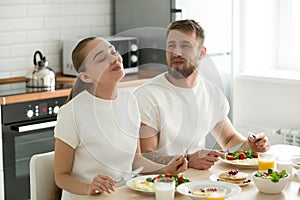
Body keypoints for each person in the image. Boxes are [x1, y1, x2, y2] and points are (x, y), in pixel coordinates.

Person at [54, 37, 187, 199]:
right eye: (102, 58)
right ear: (86, 77)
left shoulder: (130, 101)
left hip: (124, 194)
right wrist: (88, 187)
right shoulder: (71, 113)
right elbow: (61, 176)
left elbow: (135, 160)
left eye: (113, 52)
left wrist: (165, 169)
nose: (114, 58)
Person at [133, 19, 270, 170]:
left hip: (198, 181)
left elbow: (229, 139)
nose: (176, 52)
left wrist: (251, 146)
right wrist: (187, 160)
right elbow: (146, 155)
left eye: (185, 46)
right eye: (171, 46)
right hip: (160, 184)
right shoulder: (147, 95)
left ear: (201, 53)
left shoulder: (212, 93)